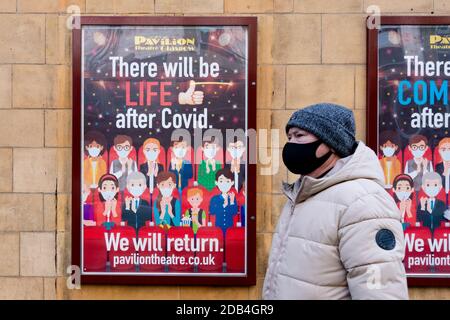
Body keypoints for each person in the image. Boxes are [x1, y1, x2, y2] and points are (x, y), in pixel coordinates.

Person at [263, 103, 408, 300]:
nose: (291, 144)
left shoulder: (363, 201)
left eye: (299, 136)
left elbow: (381, 291)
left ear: (330, 143)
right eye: (289, 137)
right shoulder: (304, 193)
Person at [209, 168, 238, 237]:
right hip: (218, 228)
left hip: (230, 227)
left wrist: (231, 202)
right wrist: (223, 206)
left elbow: (234, 213)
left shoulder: (232, 198)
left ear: (232, 183)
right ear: (216, 182)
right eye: (221, 181)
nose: (224, 184)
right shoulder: (214, 199)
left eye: (227, 181)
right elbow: (212, 211)